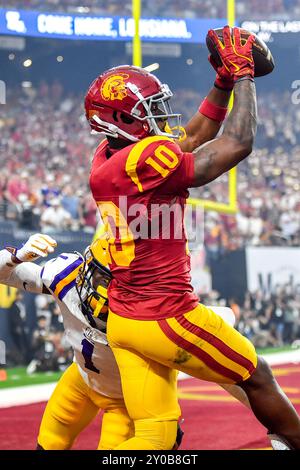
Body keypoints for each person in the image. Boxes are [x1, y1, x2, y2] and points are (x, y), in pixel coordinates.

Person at [86, 26, 300, 449]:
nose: (158, 117)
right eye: (147, 110)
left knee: (154, 434)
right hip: (165, 316)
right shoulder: (140, 157)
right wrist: (242, 76)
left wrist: (220, 82)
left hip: (125, 320)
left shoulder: (110, 154)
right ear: (120, 120)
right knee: (257, 377)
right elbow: (236, 143)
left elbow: (195, 137)